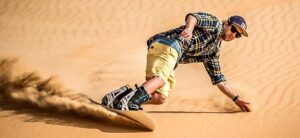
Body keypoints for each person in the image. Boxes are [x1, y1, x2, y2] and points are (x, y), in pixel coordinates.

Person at [101, 12, 251, 112]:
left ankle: (119, 97)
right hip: (169, 44)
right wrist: (190, 29)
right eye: (233, 29)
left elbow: (219, 80)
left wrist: (236, 99)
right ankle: (130, 103)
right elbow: (194, 17)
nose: (234, 34)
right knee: (159, 80)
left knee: (160, 97)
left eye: (237, 35)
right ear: (227, 24)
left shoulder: (213, 52)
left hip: (172, 56)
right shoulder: (216, 24)